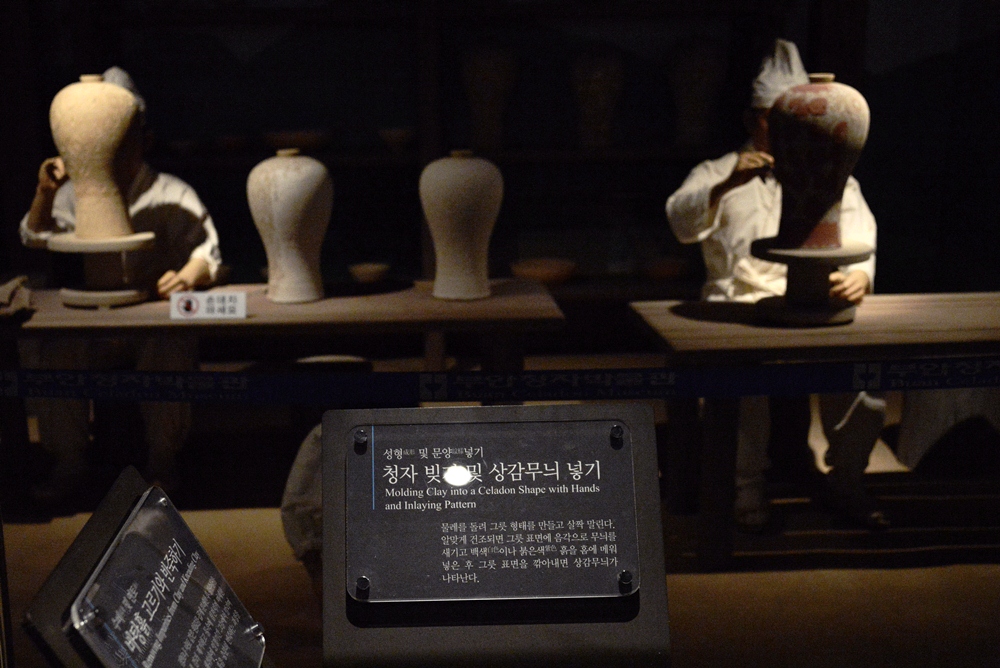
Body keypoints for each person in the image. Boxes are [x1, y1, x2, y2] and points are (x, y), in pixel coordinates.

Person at [665, 40, 888, 530]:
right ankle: (744, 491)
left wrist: (859, 275)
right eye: (780, 120)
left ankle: (847, 480)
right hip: (740, 304)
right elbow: (680, 220)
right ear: (755, 121)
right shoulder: (718, 171)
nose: (793, 131)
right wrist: (725, 185)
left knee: (863, 382)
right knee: (740, 390)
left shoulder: (831, 173)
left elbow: (862, 233)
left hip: (813, 305)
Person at [18, 66, 222, 504]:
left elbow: (209, 253)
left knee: (169, 346)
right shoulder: (73, 194)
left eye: (117, 137)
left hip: (146, 319)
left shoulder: (169, 192)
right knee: (55, 351)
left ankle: (163, 461)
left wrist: (187, 276)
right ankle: (69, 462)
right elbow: (34, 235)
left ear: (142, 140)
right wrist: (45, 192)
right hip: (91, 321)